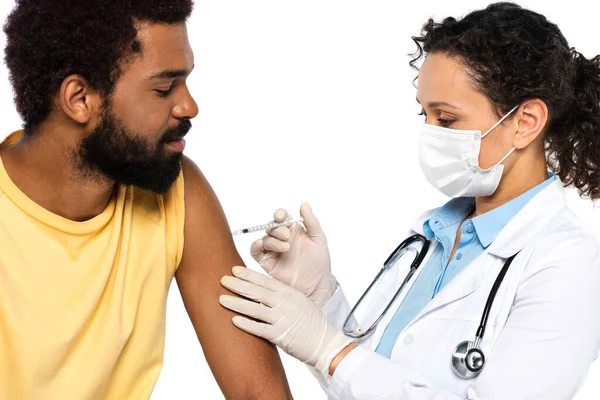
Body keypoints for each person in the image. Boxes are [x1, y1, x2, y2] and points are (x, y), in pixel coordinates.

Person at [218, 2, 600, 399]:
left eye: (447, 119)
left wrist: (328, 349)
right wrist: (320, 295)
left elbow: (348, 364)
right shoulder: (433, 235)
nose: (431, 134)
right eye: (425, 116)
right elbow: (370, 378)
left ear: (526, 122)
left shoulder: (568, 263)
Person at [0, 1, 292, 399]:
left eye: (186, 81)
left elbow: (259, 394)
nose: (189, 106)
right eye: (164, 88)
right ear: (79, 98)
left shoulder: (177, 191)